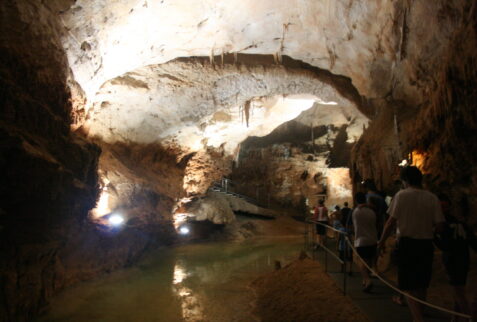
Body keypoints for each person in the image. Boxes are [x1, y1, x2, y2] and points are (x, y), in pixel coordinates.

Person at [378, 166, 445, 322]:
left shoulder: (401, 196)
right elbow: (440, 226)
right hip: (426, 244)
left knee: (407, 285)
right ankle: (419, 313)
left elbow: (390, 222)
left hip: (407, 244)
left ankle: (418, 318)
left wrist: (381, 242)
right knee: (422, 283)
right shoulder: (432, 197)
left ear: (405, 180)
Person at [434, 194, 477, 321]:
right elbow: (473, 241)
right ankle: (455, 317)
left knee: (458, 292)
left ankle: (468, 317)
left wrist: (434, 237)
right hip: (463, 259)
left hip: (452, 260)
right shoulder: (459, 223)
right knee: (458, 290)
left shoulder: (443, 224)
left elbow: (445, 246)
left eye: (444, 206)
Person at [352, 192, 377, 292]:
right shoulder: (372, 212)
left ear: (356, 200)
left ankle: (367, 280)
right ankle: (365, 279)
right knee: (369, 261)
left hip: (361, 240)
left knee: (362, 262)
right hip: (372, 239)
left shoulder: (356, 211)